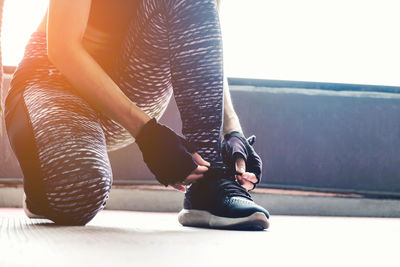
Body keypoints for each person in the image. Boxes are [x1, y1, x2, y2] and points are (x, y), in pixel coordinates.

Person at [4, 0, 269, 230]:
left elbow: (199, 41)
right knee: (78, 190)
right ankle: (43, 185)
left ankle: (209, 186)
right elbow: (62, 48)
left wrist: (231, 132)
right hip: (52, 81)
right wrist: (147, 133)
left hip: (129, 82)